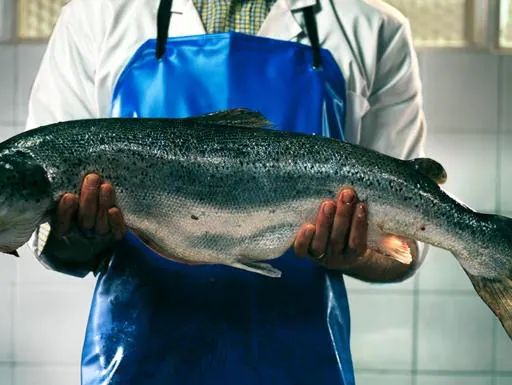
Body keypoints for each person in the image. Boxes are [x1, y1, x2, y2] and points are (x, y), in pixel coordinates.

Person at [25, 0, 429, 384]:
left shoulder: (372, 26)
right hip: (135, 364)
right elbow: (44, 230)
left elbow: (408, 244)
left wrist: (356, 252)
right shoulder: (95, 17)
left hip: (301, 365)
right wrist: (75, 235)